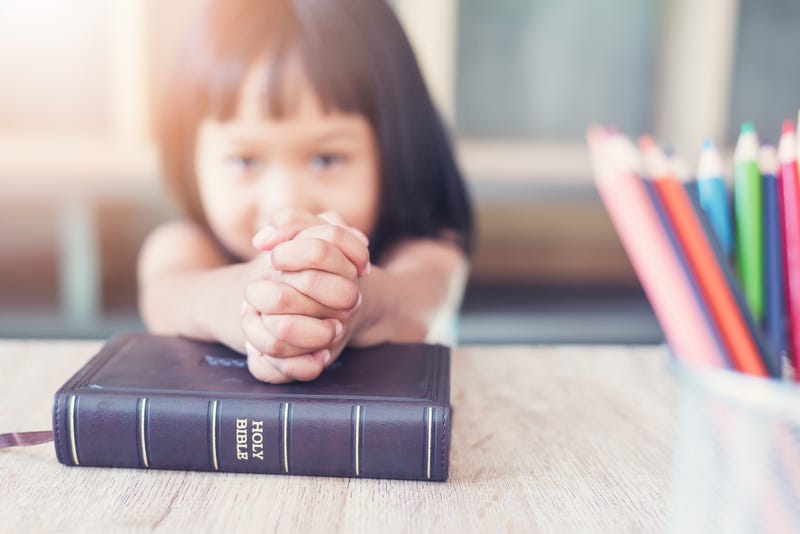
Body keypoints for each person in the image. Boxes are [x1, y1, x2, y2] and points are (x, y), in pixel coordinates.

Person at [138, 0, 473, 383]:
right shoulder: (183, 244)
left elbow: (419, 302)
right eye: (244, 161)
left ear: (397, 148)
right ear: (190, 157)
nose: (285, 202)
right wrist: (256, 298)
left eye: (326, 159)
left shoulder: (429, 246)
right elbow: (166, 297)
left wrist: (349, 301)